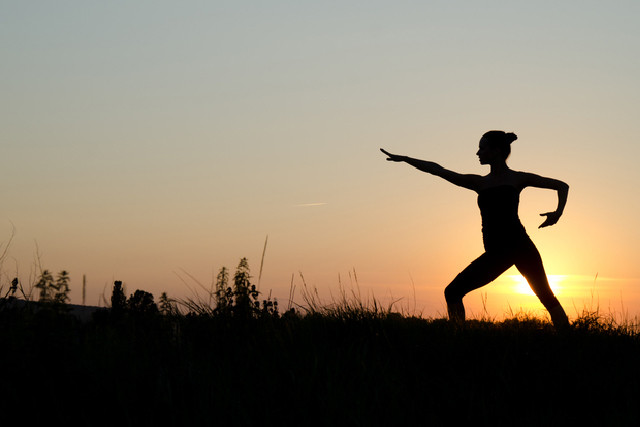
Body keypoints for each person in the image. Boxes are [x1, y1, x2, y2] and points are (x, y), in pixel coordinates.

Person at [380, 130, 570, 329]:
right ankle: (460, 339)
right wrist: (406, 159)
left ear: (496, 151)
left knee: (546, 296)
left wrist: (557, 213)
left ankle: (568, 341)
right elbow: (437, 170)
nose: (477, 153)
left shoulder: (517, 178)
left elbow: (562, 186)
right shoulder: (479, 182)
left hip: (519, 246)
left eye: (482, 148)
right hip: (497, 251)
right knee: (453, 292)